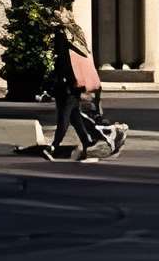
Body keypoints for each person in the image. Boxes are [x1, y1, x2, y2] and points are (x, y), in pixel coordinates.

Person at [44, 18, 125, 160]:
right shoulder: (75, 49)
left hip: (67, 90)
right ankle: (87, 143)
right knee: (76, 119)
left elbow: (64, 71)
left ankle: (54, 146)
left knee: (64, 119)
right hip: (72, 89)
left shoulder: (65, 52)